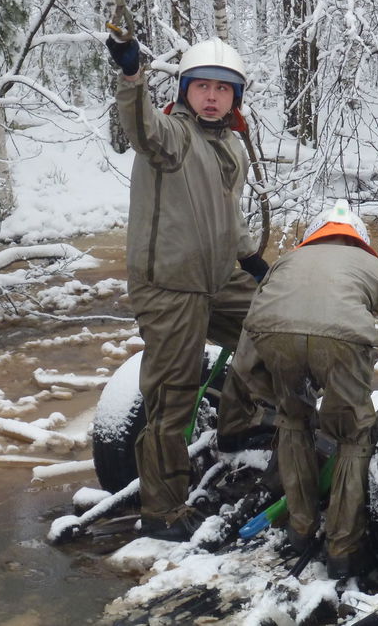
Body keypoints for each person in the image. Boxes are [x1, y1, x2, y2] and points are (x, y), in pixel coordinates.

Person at [105, 33, 269, 541]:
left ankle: (240, 425)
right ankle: (163, 510)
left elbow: (228, 214)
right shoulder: (173, 138)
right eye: (203, 87)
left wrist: (254, 261)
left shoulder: (232, 147)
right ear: (185, 91)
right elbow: (141, 128)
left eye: (224, 89)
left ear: (235, 98)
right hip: (170, 287)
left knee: (277, 325)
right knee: (172, 396)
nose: (213, 97)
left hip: (219, 280)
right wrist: (132, 78)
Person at [224, 199, 378, 578]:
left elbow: (245, 358)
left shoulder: (286, 263)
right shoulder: (370, 266)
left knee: (293, 422)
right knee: (355, 436)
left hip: (273, 337)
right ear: (358, 240)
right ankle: (343, 548)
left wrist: (276, 396)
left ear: (313, 236)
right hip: (344, 342)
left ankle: (300, 529)